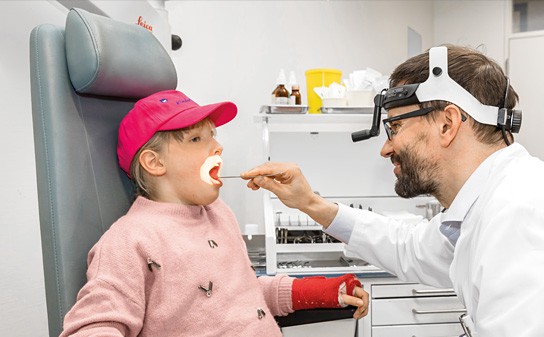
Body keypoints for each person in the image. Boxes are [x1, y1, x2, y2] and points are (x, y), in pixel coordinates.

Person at [242, 45, 544, 336]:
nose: (386, 146)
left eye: (395, 127)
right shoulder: (487, 207)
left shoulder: (526, 218)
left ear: (447, 123)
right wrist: (312, 205)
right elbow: (410, 248)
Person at [60, 90, 369, 337]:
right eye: (197, 139)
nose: (217, 147)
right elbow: (94, 326)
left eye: (213, 136)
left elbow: (241, 294)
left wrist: (320, 290)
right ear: (154, 163)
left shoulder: (219, 213)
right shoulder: (130, 240)